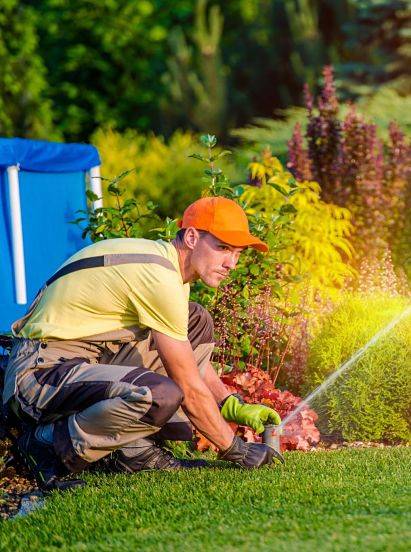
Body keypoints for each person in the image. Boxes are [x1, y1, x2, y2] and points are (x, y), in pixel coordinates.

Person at [3, 196, 282, 491]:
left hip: (81, 363)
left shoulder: (168, 270)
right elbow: (186, 385)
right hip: (39, 376)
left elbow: (187, 361)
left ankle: (133, 453)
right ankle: (46, 446)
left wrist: (228, 404)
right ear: (191, 237)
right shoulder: (159, 276)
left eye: (238, 253)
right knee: (159, 397)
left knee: (195, 321)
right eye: (223, 248)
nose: (231, 264)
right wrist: (236, 450)